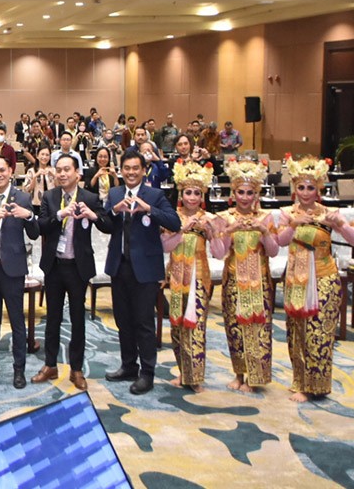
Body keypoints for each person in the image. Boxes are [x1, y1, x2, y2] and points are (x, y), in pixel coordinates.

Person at [275, 156, 354, 402]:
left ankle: (316, 386)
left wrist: (341, 225)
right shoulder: (287, 213)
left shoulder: (330, 213)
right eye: (301, 187)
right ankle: (300, 382)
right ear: (294, 188)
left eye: (311, 187)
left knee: (318, 333)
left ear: (318, 188)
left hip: (324, 280)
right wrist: (293, 224)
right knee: (297, 333)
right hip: (296, 280)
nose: (306, 192)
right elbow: (279, 242)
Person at [103, 150, 181, 395]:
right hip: (119, 266)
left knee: (144, 322)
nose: (131, 172)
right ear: (121, 170)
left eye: (135, 168)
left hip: (145, 270)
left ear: (144, 170)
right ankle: (128, 366)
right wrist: (114, 211)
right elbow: (105, 224)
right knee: (123, 320)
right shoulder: (115, 193)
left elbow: (174, 222)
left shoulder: (155, 195)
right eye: (126, 168)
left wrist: (148, 209)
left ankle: (147, 373)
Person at [35, 154, 109, 391]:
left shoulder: (90, 198)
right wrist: (60, 214)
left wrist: (93, 216)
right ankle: (50, 364)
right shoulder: (50, 196)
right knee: (52, 318)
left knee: (78, 319)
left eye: (67, 169)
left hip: (78, 267)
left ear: (77, 173)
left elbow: (107, 225)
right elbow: (40, 226)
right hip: (55, 266)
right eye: (59, 170)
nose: (62, 174)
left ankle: (76, 369)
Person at [210, 158, 277, 393]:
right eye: (241, 192)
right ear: (234, 193)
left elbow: (273, 251)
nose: (245, 197)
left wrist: (264, 232)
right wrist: (228, 231)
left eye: (250, 192)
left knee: (258, 329)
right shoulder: (224, 218)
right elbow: (218, 253)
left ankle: (255, 378)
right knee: (234, 327)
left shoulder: (265, 218)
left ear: (256, 193)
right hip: (233, 280)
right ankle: (239, 374)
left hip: (259, 281)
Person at [0, 156, 40, 388]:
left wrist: (29, 215)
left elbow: (34, 233)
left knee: (16, 322)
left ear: (11, 171)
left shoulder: (22, 198)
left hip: (13, 269)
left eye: (2, 170)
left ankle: (18, 369)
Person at [162, 161, 220, 392]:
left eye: (197, 193)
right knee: (177, 327)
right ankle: (183, 372)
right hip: (177, 278)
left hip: (198, 279)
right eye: (188, 192)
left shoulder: (209, 218)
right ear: (181, 194)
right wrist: (182, 230)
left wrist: (212, 233)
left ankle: (195, 377)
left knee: (195, 326)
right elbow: (165, 246)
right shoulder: (172, 217)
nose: (192, 198)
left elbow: (219, 252)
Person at [23, 146, 55, 212]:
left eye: (47, 155)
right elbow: (27, 190)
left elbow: (60, 187)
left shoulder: (54, 170)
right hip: (36, 204)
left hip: (52, 203)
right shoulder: (31, 171)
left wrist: (54, 175)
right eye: (42, 154)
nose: (44, 157)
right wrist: (35, 176)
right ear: (37, 156)